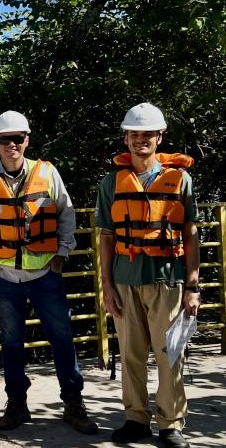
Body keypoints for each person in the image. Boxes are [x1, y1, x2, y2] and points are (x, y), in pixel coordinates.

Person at [0, 110, 97, 434]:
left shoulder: (48, 173)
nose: (12, 144)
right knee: (11, 343)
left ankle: (73, 402)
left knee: (62, 339)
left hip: (45, 275)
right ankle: (17, 404)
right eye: (4, 139)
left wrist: (62, 253)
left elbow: (66, 214)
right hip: (5, 278)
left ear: (27, 140)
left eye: (17, 138)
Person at [96, 103, 200, 448]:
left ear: (160, 136)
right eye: (134, 134)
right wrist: (106, 286)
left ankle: (171, 423)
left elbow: (191, 233)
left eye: (147, 134)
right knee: (130, 353)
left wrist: (193, 286)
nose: (141, 140)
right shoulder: (111, 182)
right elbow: (106, 237)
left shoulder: (180, 180)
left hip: (167, 280)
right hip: (125, 281)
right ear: (126, 138)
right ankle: (135, 419)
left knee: (171, 353)